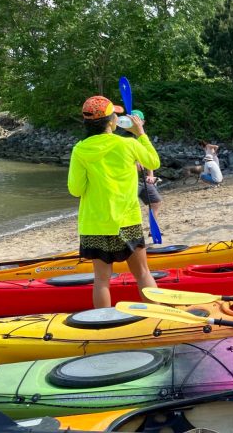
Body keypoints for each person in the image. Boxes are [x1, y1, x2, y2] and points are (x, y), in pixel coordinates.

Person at [67, 96, 159, 308]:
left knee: (101, 280)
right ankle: (159, 320)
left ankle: (103, 327)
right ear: (111, 121)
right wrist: (141, 134)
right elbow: (153, 162)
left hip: (95, 224)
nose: (118, 116)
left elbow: (76, 190)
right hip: (127, 221)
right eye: (115, 114)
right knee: (143, 273)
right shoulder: (128, 144)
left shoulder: (80, 149)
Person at [132, 110, 162, 220]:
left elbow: (150, 159)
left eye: (137, 120)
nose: (135, 123)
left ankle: (153, 229)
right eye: (132, 120)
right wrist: (135, 164)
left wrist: (150, 175)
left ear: (142, 122)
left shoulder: (143, 138)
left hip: (143, 179)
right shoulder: (125, 138)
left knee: (156, 202)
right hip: (130, 180)